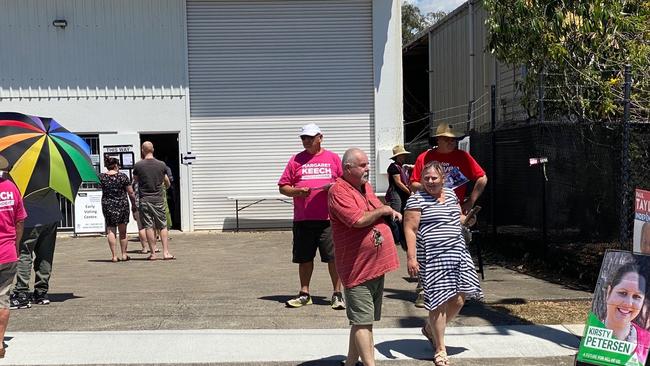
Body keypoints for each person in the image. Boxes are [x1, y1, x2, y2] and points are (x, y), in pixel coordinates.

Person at [403, 161, 483, 366]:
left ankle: (430, 329)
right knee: (438, 302)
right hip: (433, 257)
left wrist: (468, 220)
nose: (430, 182)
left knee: (459, 299)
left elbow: (458, 219)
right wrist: (411, 258)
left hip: (458, 253)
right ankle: (440, 348)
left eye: (434, 178)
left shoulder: (451, 195)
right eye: (426, 178)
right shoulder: (416, 199)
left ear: (443, 179)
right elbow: (410, 229)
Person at [328, 148, 401, 366]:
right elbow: (358, 219)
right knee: (363, 323)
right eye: (362, 165)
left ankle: (350, 363)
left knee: (362, 320)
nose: (368, 168)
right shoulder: (338, 191)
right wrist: (385, 210)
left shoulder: (364, 186)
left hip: (375, 266)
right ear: (348, 168)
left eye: (367, 163)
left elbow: (376, 206)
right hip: (357, 269)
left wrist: (387, 210)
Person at [409, 122, 487, 308]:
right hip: (429, 212)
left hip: (453, 211)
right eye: (449, 140)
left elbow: (482, 178)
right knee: (427, 250)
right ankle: (424, 290)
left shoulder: (463, 156)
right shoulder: (425, 157)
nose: (453, 143)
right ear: (438, 140)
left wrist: (470, 202)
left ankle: (458, 291)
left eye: (455, 140)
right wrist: (433, 187)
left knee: (458, 249)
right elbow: (413, 183)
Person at [278, 123, 344, 309]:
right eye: (303, 138)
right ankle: (304, 293)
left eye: (310, 137)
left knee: (333, 258)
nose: (306, 141)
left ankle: (337, 294)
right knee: (304, 258)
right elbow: (283, 187)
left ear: (320, 137)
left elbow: (343, 182)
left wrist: (333, 187)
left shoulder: (333, 158)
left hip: (329, 219)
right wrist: (298, 192)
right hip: (304, 219)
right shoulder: (295, 160)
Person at [10, 187, 62, 308]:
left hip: (30, 218)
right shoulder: (50, 172)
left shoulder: (20, 174)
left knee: (24, 253)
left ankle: (21, 292)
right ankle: (41, 293)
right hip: (51, 216)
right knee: (46, 255)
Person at [0, 156, 26, 358]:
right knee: (3, 299)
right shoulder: (12, 188)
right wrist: (15, 246)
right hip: (8, 252)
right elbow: (19, 223)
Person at [600, 263, 649, 363]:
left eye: (637, 297)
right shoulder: (592, 330)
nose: (628, 303)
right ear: (609, 292)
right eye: (623, 293)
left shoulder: (647, 341)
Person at [132, 141, 174, 260]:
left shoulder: (138, 165)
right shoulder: (161, 165)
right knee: (162, 226)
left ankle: (153, 254)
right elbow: (167, 182)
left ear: (142, 150)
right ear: (153, 149)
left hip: (144, 199)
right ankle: (166, 253)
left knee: (148, 226)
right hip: (158, 199)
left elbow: (135, 180)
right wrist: (164, 185)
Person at [99, 157, 137, 262]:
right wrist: (134, 205)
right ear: (116, 165)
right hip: (122, 205)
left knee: (111, 230)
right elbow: (130, 192)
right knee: (123, 231)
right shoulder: (123, 177)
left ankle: (114, 256)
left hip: (107, 205)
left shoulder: (102, 177)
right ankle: (124, 254)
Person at [385, 145, 411, 247]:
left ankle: (401, 236)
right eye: (402, 155)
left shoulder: (401, 166)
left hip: (402, 194)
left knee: (403, 214)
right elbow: (398, 183)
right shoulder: (393, 167)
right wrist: (409, 192)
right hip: (395, 193)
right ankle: (395, 237)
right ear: (397, 156)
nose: (403, 157)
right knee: (395, 214)